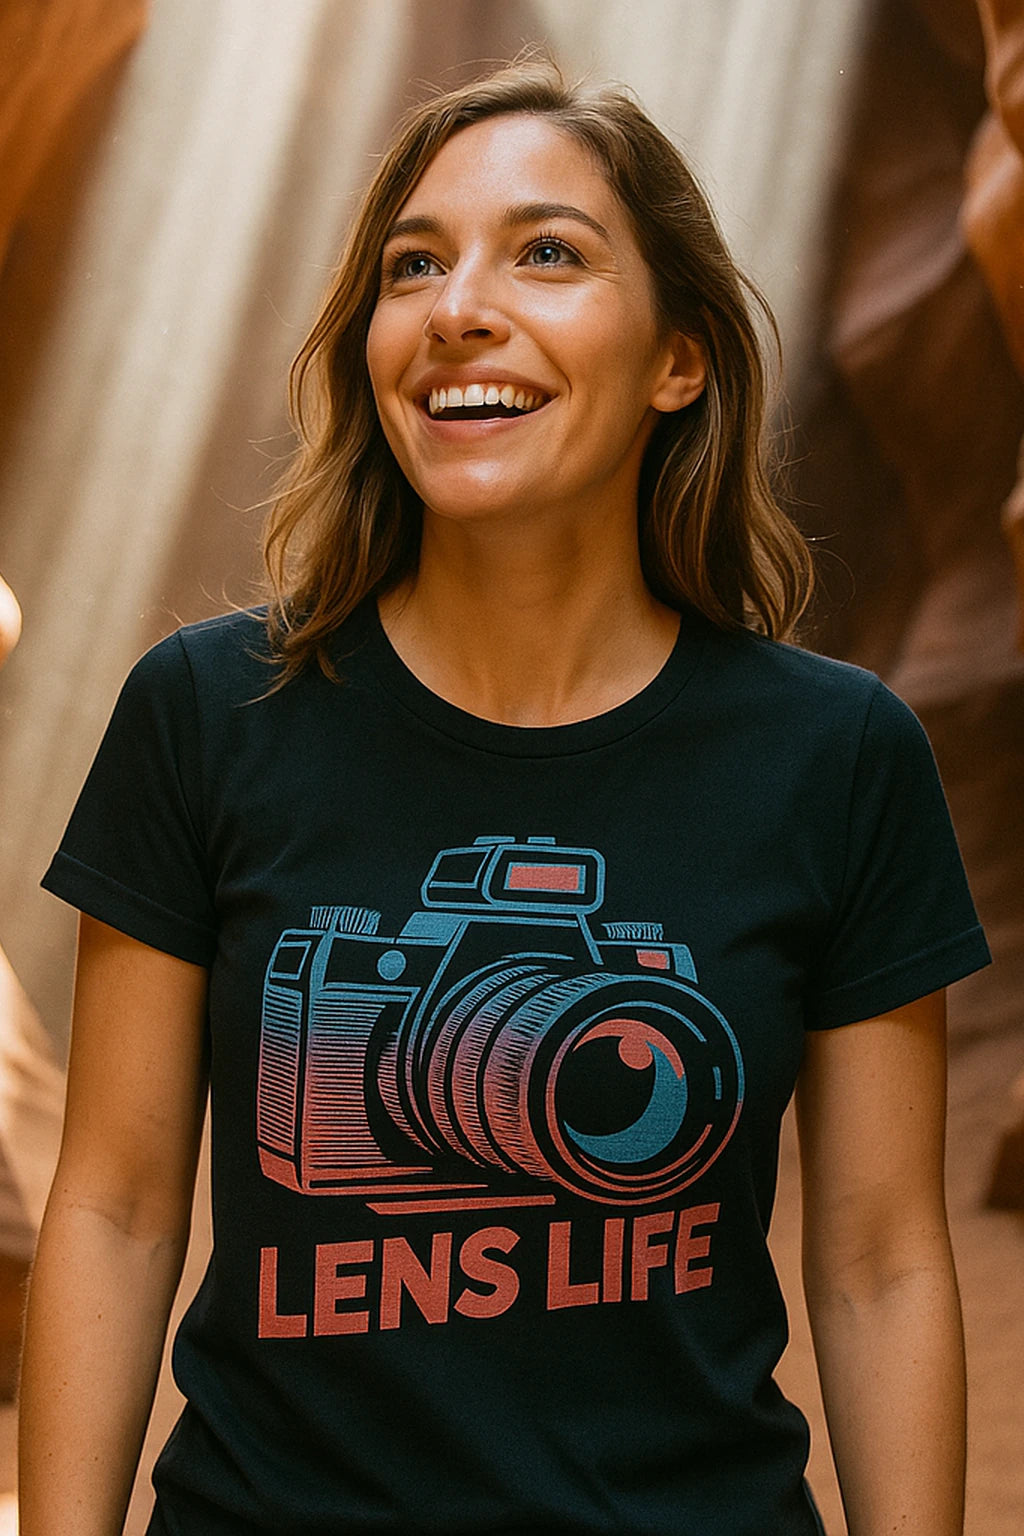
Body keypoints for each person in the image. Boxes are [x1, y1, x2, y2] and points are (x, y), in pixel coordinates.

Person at [19, 58, 989, 1536]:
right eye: (414, 264)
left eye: (548, 250)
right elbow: (119, 1205)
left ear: (680, 356)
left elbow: (878, 1262)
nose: (460, 305)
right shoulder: (213, 715)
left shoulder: (837, 754)